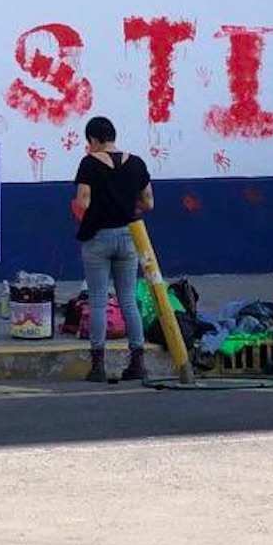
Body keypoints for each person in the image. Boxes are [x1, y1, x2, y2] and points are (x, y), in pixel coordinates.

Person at [70, 116, 153, 383]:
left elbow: (83, 202)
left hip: (98, 238)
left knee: (97, 300)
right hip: (129, 236)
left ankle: (98, 365)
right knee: (128, 300)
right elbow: (148, 202)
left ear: (93, 140)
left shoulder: (89, 163)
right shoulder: (137, 163)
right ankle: (137, 362)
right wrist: (127, 207)